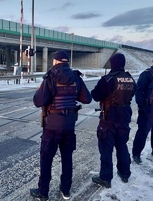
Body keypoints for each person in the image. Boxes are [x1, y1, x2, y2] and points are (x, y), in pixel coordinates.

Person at [30, 50, 92, 200]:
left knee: (46, 159)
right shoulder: (76, 78)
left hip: (51, 126)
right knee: (67, 158)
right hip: (69, 125)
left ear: (55, 61)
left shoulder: (50, 77)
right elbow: (87, 99)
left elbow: (38, 101)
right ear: (67, 61)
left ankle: (43, 193)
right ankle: (66, 190)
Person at [91, 53, 136, 188]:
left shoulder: (108, 79)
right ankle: (125, 173)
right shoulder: (130, 78)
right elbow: (133, 92)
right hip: (124, 117)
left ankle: (105, 177)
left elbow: (96, 95)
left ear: (112, 63)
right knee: (122, 146)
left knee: (106, 149)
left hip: (109, 118)